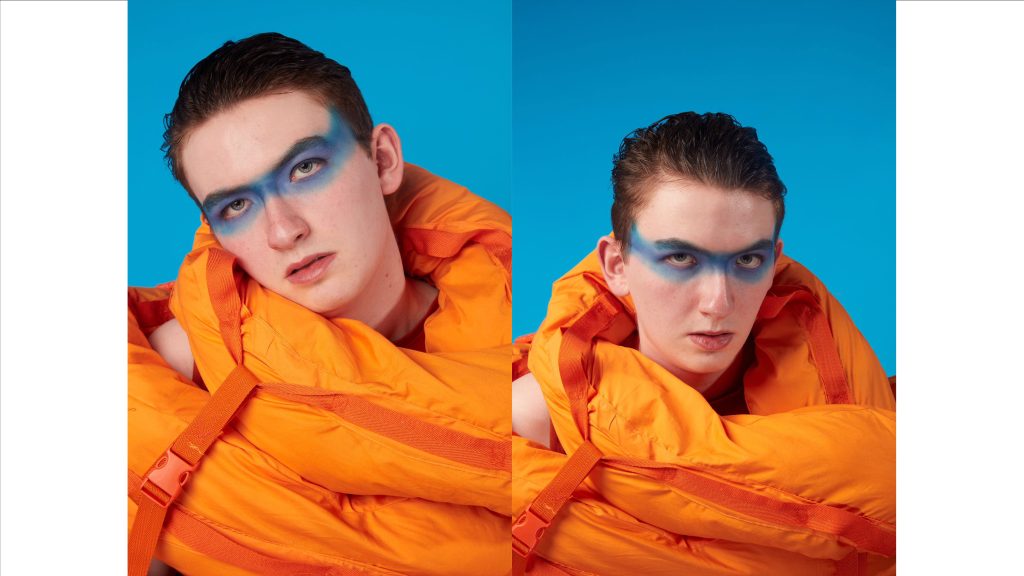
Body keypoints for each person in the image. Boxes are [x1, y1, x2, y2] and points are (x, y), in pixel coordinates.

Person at [128, 33, 512, 576]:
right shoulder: (180, 381)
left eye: (304, 169)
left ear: (382, 161)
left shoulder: (543, 346)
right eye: (237, 205)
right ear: (216, 231)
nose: (285, 230)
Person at [511, 112, 895, 574]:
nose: (717, 302)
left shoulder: (857, 407)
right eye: (680, 257)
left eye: (747, 260)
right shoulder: (527, 423)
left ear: (774, 262)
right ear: (616, 265)